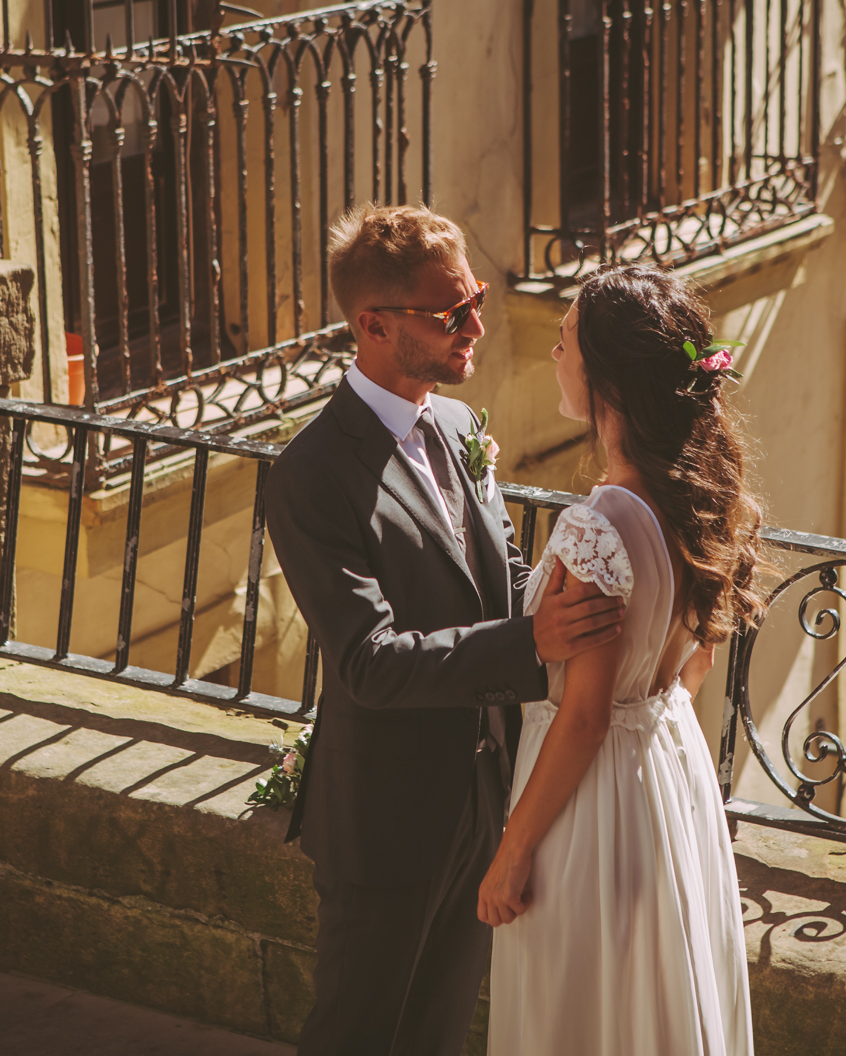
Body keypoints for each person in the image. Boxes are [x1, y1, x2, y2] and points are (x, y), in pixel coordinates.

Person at [264, 204, 628, 1056]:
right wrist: (530, 645)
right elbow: (366, 662)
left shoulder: (461, 427)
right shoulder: (313, 475)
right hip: (387, 815)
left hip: (488, 795)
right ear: (374, 325)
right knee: (358, 1033)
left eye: (474, 301)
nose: (475, 324)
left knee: (438, 1032)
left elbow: (499, 579)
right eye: (450, 312)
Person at [480, 263, 761, 1054]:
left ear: (602, 374)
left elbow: (586, 714)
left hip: (591, 808)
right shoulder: (696, 502)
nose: (554, 358)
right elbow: (691, 670)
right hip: (668, 784)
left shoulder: (599, 524)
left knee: (580, 1015)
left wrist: (512, 852)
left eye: (563, 342)